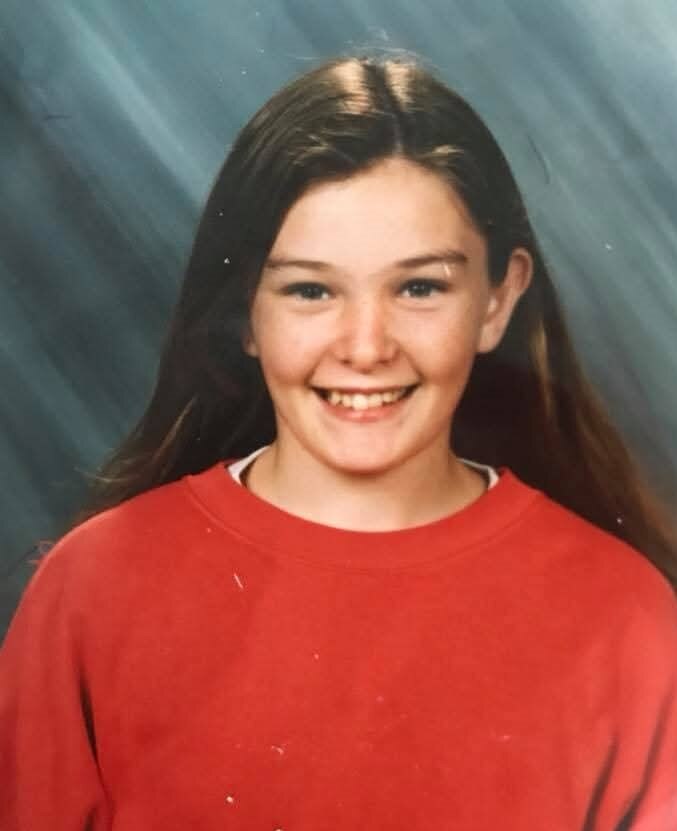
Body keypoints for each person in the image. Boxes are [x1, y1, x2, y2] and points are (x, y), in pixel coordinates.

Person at [1, 55, 676, 830]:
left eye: (419, 287)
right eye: (310, 290)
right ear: (244, 312)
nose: (364, 346)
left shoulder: (621, 617)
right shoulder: (92, 590)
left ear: (497, 299)